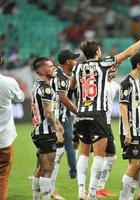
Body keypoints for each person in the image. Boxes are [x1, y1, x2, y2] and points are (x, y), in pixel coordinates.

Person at [72, 29, 140, 200]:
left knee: (83, 152)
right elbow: (128, 53)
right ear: (98, 52)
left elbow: (72, 88)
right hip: (98, 114)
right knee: (99, 154)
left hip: (81, 113)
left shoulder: (78, 67)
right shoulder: (103, 63)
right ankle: (92, 192)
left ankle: (80, 190)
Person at [31, 57, 64, 200]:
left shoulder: (36, 86)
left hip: (38, 131)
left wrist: (58, 123)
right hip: (45, 133)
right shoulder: (46, 88)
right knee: (47, 170)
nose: (54, 68)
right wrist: (56, 129)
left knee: (40, 168)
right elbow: (48, 112)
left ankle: (35, 198)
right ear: (42, 70)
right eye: (50, 66)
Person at [119, 52, 140, 199]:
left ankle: (129, 196)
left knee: (137, 164)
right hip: (130, 130)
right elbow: (123, 107)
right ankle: (123, 196)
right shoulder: (127, 82)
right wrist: (127, 130)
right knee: (136, 164)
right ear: (138, 65)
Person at [50, 49, 79, 200]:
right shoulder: (60, 77)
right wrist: (78, 111)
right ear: (68, 61)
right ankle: (50, 189)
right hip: (57, 120)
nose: (76, 61)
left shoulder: (61, 76)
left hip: (57, 118)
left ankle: (46, 188)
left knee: (52, 154)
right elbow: (63, 98)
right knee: (55, 154)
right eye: (74, 59)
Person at [0, 55, 25, 200]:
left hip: (5, 138)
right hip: (4, 139)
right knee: (3, 176)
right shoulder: (8, 82)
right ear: (1, 60)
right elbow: (20, 97)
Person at [96, 67, 120, 198]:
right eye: (111, 68)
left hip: (107, 123)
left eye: (116, 68)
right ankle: (95, 188)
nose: (114, 70)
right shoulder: (100, 83)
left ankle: (100, 187)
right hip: (100, 121)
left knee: (110, 157)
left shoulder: (115, 85)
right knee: (102, 157)